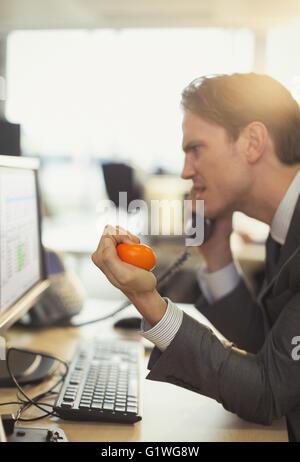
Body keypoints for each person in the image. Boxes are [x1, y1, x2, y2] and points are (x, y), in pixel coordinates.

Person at [92, 73, 300, 442]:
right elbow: (266, 346)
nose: (187, 171)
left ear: (252, 142)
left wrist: (148, 301)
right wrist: (216, 253)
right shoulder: (285, 228)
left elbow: (269, 391)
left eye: (196, 149)